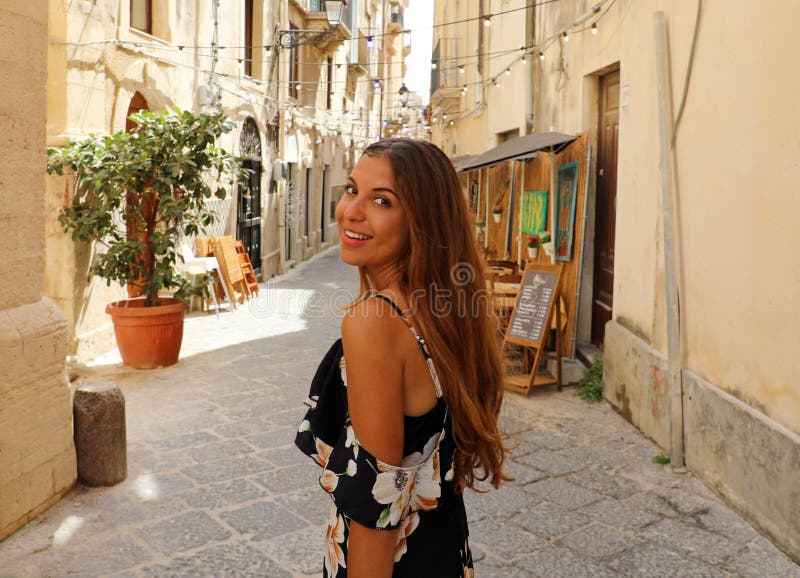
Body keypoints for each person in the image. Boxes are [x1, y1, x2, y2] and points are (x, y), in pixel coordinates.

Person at [296, 138, 509, 577]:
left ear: (422, 221)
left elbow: (380, 501)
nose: (351, 211)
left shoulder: (376, 320)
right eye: (352, 189)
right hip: (444, 548)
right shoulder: (443, 309)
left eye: (382, 201)